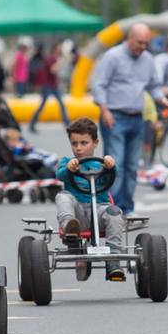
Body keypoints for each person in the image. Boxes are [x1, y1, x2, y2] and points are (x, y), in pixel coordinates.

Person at [89, 22, 168, 214]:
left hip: (137, 117)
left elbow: (153, 86)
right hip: (115, 116)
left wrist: (162, 100)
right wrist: (105, 110)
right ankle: (112, 208)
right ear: (129, 39)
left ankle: (127, 206)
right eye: (139, 43)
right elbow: (99, 84)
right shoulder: (113, 57)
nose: (142, 47)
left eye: (146, 43)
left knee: (133, 165)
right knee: (115, 163)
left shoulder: (148, 60)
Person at [55, 118, 127, 280]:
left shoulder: (102, 164)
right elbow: (60, 175)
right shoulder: (67, 162)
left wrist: (110, 167)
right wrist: (69, 169)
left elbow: (112, 178)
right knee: (63, 196)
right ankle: (70, 230)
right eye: (75, 144)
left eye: (84, 143)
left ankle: (113, 261)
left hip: (100, 209)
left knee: (115, 212)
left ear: (95, 142)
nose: (79, 148)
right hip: (78, 214)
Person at [29, 41, 69, 133]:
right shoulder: (51, 58)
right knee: (43, 105)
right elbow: (52, 70)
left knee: (61, 104)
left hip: (52, 85)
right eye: (59, 47)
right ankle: (32, 124)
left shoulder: (53, 58)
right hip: (48, 85)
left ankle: (67, 123)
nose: (61, 49)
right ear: (55, 48)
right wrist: (59, 63)